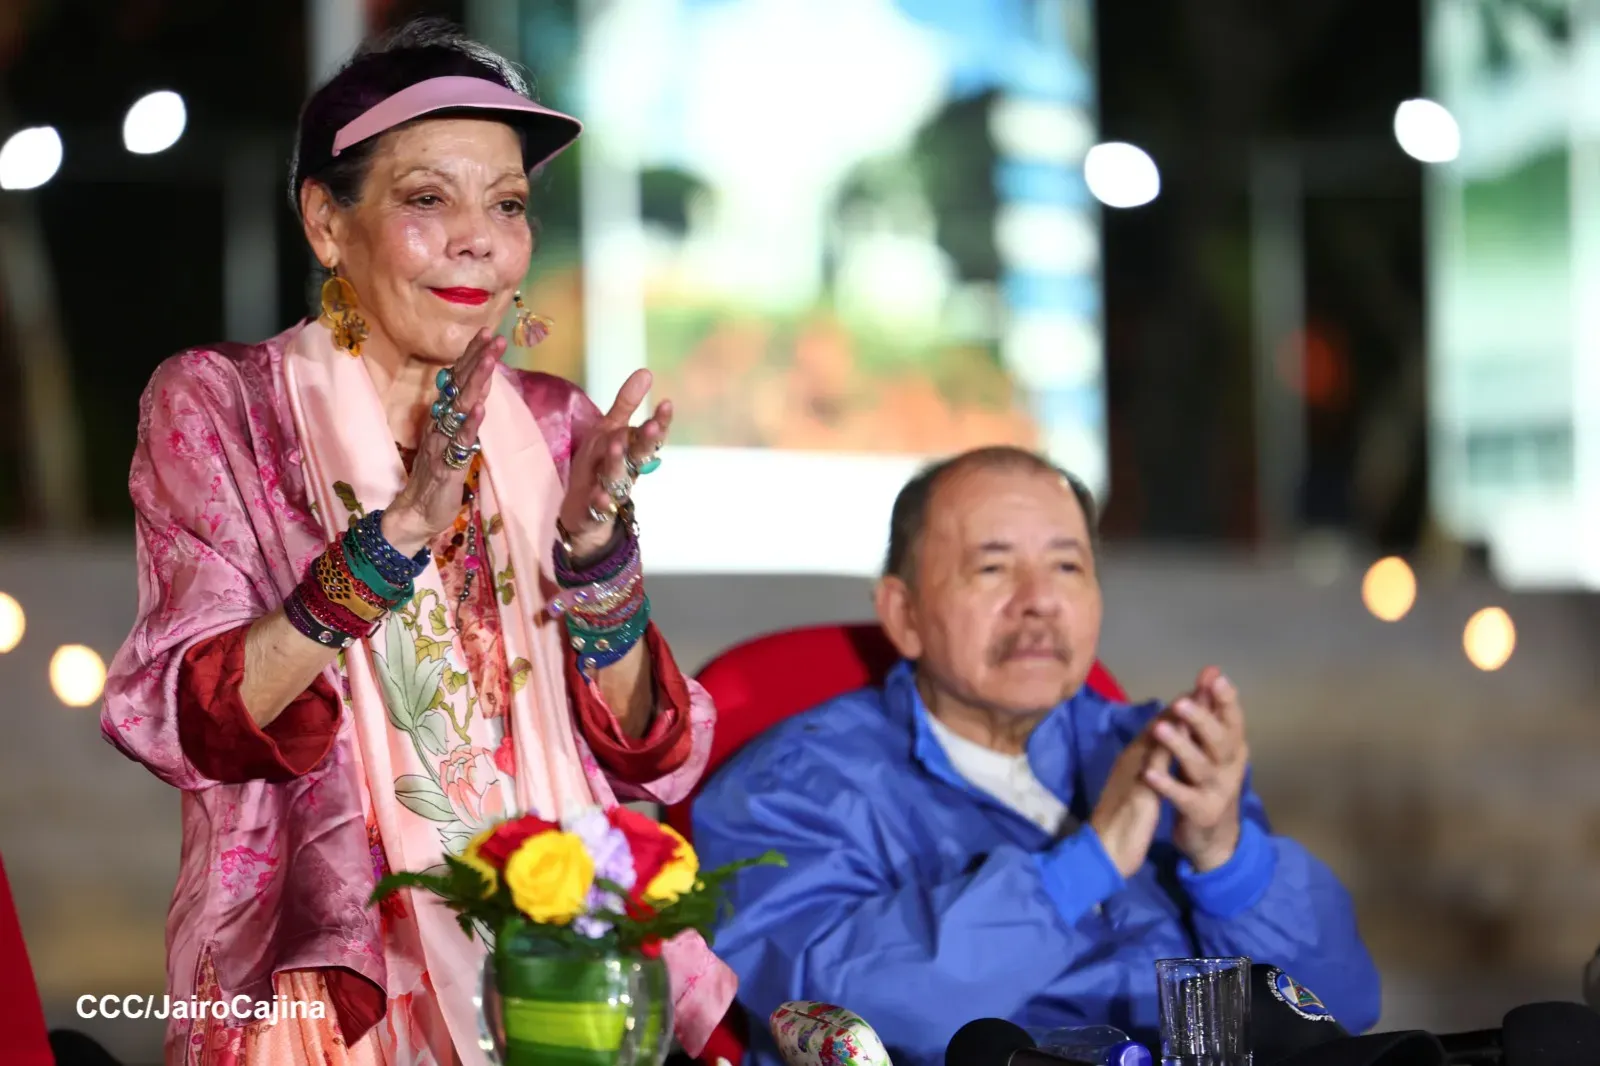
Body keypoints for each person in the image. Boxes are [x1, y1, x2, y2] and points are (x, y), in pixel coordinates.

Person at [101, 20, 732, 1066]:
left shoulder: (555, 421)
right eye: (428, 199)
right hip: (330, 976)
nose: (479, 238)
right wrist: (391, 541)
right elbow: (194, 721)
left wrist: (594, 556)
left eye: (509, 204)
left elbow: (648, 754)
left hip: (556, 957)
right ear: (324, 222)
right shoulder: (222, 405)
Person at [692, 446, 1380, 1066]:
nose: (1040, 602)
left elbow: (1344, 1005)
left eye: (1067, 565)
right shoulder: (788, 789)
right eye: (993, 568)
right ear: (902, 614)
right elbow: (850, 1015)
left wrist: (1225, 856)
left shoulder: (1159, 752)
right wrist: (1090, 863)